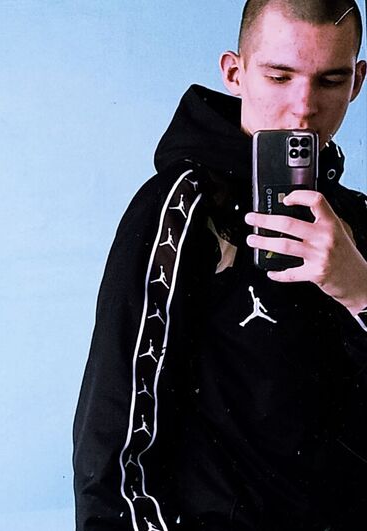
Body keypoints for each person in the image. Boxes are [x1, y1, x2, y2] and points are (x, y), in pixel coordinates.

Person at [73, 1, 367, 530]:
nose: (303, 109)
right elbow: (116, 437)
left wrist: (360, 291)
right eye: (279, 76)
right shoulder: (183, 206)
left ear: (357, 82)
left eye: (330, 81)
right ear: (235, 73)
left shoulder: (358, 221)